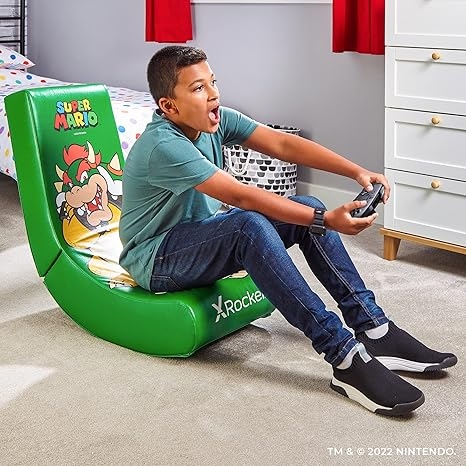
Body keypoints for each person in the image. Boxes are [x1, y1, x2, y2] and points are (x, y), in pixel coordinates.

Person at [119, 45, 457, 417]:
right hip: (157, 259)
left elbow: (282, 144)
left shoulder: (213, 121)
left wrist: (356, 171)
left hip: (199, 237)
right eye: (198, 88)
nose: (214, 94)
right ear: (169, 106)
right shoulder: (163, 146)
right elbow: (240, 196)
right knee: (250, 226)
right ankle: (343, 356)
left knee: (306, 206)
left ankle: (375, 330)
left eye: (213, 82)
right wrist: (326, 220)